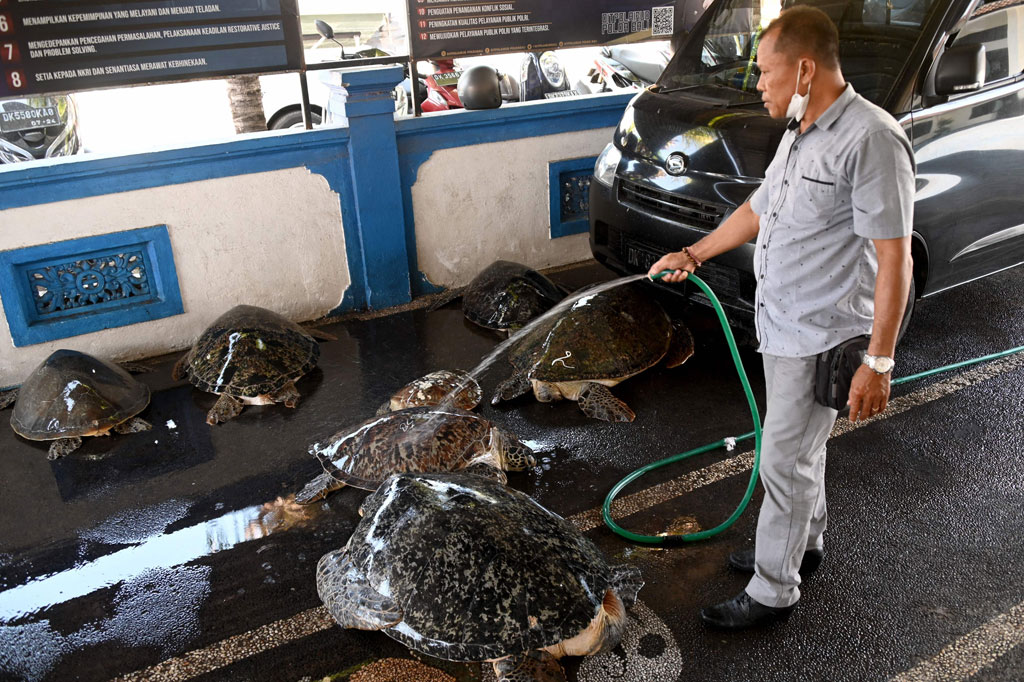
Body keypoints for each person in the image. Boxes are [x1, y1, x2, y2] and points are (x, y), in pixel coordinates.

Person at [648, 5, 915, 630]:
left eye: (765, 73)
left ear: (803, 68)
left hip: (820, 332)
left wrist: (878, 361)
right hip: (781, 324)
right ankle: (806, 543)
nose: (758, 84)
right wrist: (693, 254)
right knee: (799, 449)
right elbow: (759, 208)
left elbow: (894, 257)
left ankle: (774, 589)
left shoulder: (871, 139)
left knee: (783, 460)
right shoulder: (803, 128)